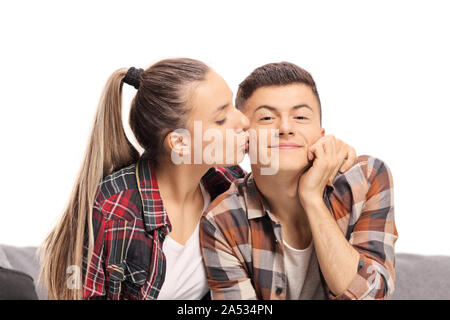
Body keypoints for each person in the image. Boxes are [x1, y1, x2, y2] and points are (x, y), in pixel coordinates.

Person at [39, 58, 356, 300]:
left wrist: (334, 156)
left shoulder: (225, 184)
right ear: (179, 143)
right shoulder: (116, 211)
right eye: (221, 119)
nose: (243, 120)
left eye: (232, 106)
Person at [200, 62, 398, 300]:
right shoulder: (222, 219)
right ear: (245, 138)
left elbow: (371, 296)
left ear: (322, 136)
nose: (285, 128)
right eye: (266, 118)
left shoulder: (366, 178)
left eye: (301, 117)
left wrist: (312, 198)